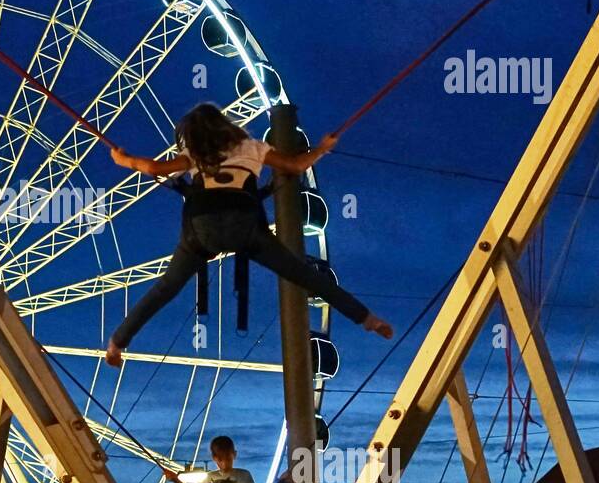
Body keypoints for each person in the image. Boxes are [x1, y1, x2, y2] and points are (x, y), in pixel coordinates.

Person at [105, 103, 392, 367]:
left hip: (202, 227)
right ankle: (368, 319)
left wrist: (123, 159)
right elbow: (295, 166)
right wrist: (322, 148)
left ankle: (118, 344)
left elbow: (154, 168)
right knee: (304, 275)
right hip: (245, 226)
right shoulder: (252, 147)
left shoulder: (195, 154)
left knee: (165, 288)